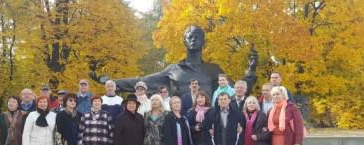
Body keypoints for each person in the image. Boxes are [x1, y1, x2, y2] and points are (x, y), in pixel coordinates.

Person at [90, 25, 257, 98]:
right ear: (184, 41)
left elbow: (238, 91)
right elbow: (141, 81)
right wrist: (111, 82)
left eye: (198, 36)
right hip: (180, 122)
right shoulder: (173, 70)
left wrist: (250, 71)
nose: (193, 39)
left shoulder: (213, 70)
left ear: (204, 42)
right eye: (190, 37)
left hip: (207, 125)